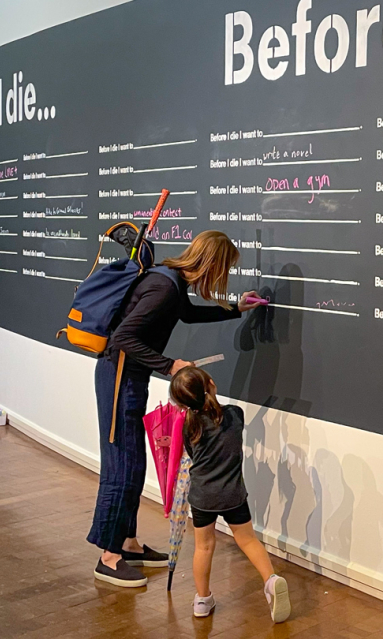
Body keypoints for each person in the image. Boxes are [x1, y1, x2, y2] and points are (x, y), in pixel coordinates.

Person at [88, 231, 262, 588]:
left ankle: (128, 544)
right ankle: (109, 556)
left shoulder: (171, 283)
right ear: (212, 264)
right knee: (123, 464)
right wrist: (170, 366)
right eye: (224, 269)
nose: (223, 276)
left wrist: (234, 308)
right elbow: (123, 338)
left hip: (130, 378)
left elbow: (188, 315)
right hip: (119, 377)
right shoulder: (165, 286)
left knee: (133, 463)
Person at [169, 366, 291, 621]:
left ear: (182, 403)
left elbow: (192, 456)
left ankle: (202, 600)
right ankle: (271, 580)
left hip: (203, 496)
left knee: (203, 547)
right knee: (247, 540)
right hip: (233, 494)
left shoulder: (189, 427)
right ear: (211, 385)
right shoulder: (235, 415)